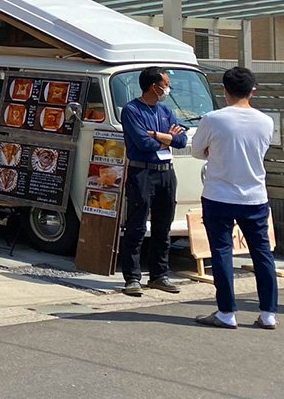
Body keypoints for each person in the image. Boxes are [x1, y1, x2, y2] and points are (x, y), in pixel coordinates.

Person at [191, 66, 278, 329]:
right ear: (253, 90)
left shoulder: (213, 119)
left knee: (221, 252)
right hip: (255, 195)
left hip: (219, 195)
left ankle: (226, 312)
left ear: (225, 90)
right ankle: (268, 314)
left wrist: (213, 152)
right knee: (262, 253)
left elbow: (196, 151)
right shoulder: (266, 121)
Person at [118, 66, 188, 297]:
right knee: (137, 225)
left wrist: (158, 136)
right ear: (153, 86)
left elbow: (181, 139)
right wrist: (167, 138)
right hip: (142, 172)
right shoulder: (131, 110)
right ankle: (132, 277)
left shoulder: (166, 110)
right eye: (165, 84)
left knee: (163, 225)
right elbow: (141, 143)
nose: (168, 88)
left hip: (166, 171)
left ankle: (159, 275)